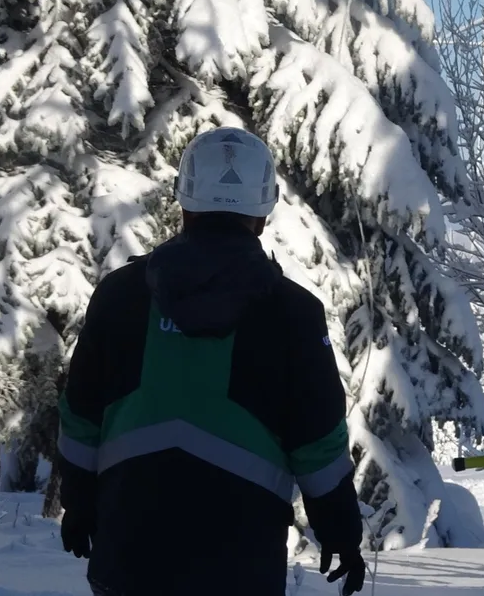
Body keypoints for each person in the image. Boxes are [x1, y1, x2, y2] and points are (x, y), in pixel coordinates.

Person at [55, 127, 366, 596]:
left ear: (184, 203)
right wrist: (342, 532)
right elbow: (318, 445)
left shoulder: (119, 297)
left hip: (128, 560)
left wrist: (78, 504)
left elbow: (80, 421)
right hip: (241, 567)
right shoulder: (294, 313)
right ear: (263, 212)